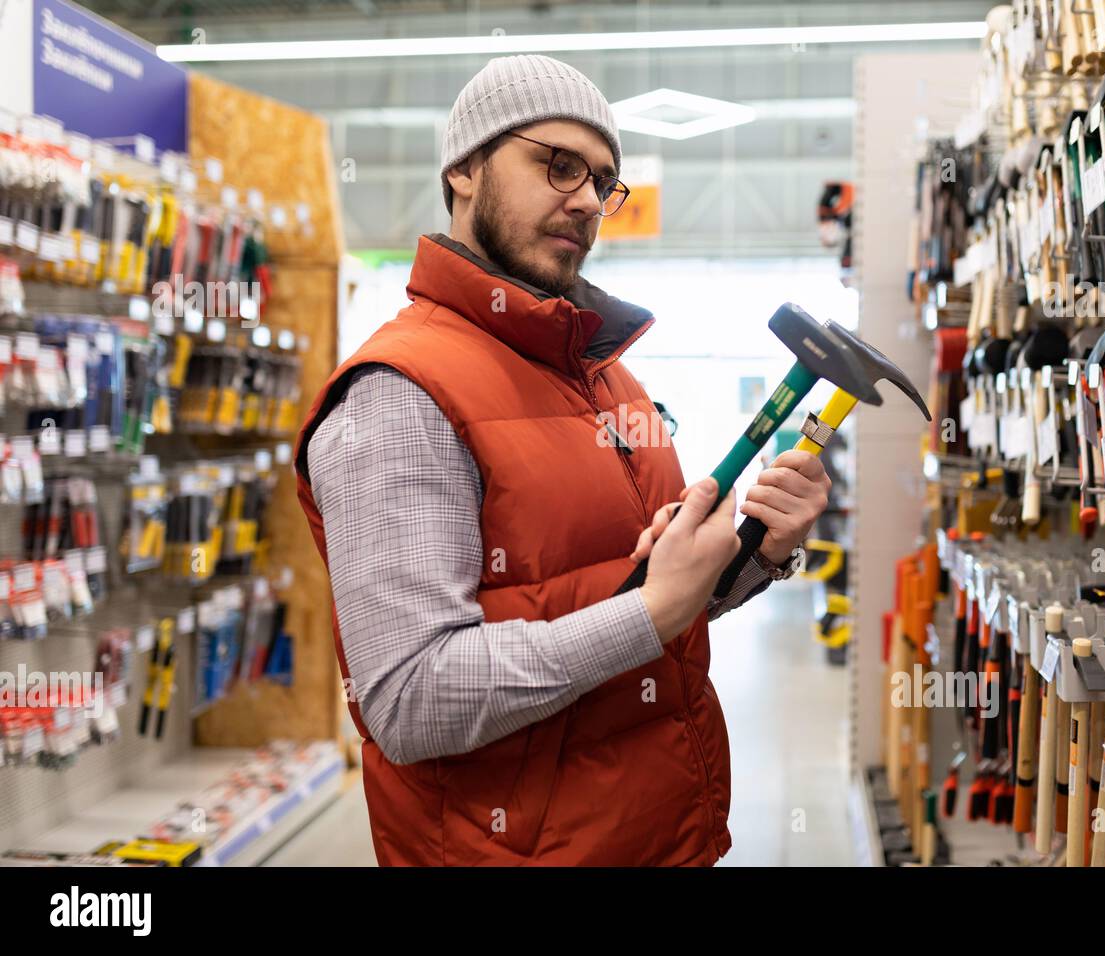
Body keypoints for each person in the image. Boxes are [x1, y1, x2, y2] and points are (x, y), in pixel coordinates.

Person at [293, 54, 832, 866]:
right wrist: (651, 613)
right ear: (465, 169)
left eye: (602, 180)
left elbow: (648, 598)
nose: (586, 198)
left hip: (660, 838)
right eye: (558, 164)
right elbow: (409, 700)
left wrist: (759, 553)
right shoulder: (399, 395)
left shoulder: (604, 373)